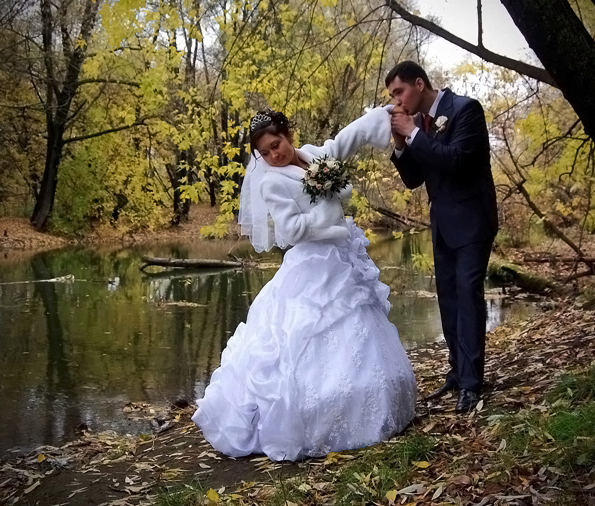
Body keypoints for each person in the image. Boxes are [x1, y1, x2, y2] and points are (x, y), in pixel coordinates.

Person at [192, 107, 417, 461]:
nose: (273, 155)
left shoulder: (313, 155)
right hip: (313, 263)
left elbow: (343, 142)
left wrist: (379, 117)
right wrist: (328, 214)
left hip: (342, 260)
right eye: (264, 152)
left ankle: (376, 399)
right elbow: (290, 231)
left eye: (276, 145)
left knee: (359, 325)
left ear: (288, 134)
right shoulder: (271, 182)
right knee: (305, 333)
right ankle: (316, 415)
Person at [386, 61, 498, 413]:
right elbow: (413, 179)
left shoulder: (466, 110)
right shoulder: (419, 124)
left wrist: (415, 134)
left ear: (419, 84)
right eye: (392, 96)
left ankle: (471, 383)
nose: (396, 101)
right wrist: (402, 142)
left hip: (473, 221)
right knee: (448, 299)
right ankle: (457, 371)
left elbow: (457, 161)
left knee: (467, 295)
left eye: (399, 92)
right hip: (442, 224)